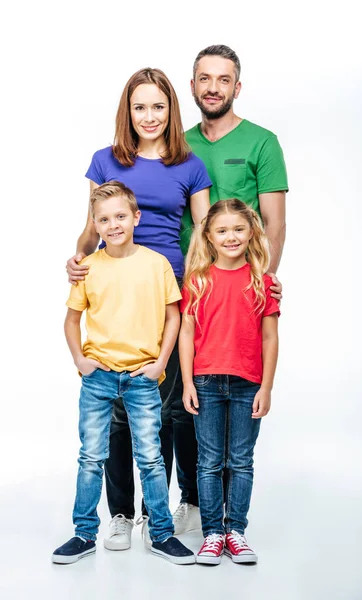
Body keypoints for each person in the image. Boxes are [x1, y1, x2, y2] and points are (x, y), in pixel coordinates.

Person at [66, 68, 211, 550]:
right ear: (127, 112)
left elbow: (205, 238)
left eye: (158, 107)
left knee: (165, 407)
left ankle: (159, 513)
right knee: (115, 412)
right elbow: (91, 227)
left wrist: (204, 288)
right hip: (114, 292)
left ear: (171, 111)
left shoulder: (190, 166)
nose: (149, 116)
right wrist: (76, 257)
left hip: (167, 290)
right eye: (140, 107)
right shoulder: (104, 160)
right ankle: (121, 514)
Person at [52, 181, 195, 565]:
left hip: (142, 377)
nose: (113, 225)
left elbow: (173, 317)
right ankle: (84, 534)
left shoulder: (156, 264)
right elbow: (71, 321)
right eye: (103, 219)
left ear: (136, 217)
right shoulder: (88, 268)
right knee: (91, 457)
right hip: (98, 378)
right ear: (94, 226)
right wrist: (80, 361)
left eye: (119, 216)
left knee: (150, 457)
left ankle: (161, 533)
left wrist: (162, 363)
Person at [179, 199, 280, 565]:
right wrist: (188, 383)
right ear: (208, 235)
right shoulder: (198, 281)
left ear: (252, 230)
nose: (231, 237)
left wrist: (266, 387)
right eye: (222, 230)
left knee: (240, 460)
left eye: (238, 229)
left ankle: (235, 531)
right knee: (208, 461)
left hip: (247, 385)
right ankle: (212, 534)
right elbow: (186, 334)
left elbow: (270, 337)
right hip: (205, 382)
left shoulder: (263, 282)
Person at [182, 44, 288, 278]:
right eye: (204, 79)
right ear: (193, 86)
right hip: (187, 281)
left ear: (236, 88)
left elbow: (275, 223)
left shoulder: (262, 142)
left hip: (243, 280)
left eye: (223, 80)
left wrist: (264, 280)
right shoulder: (178, 145)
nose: (212, 88)